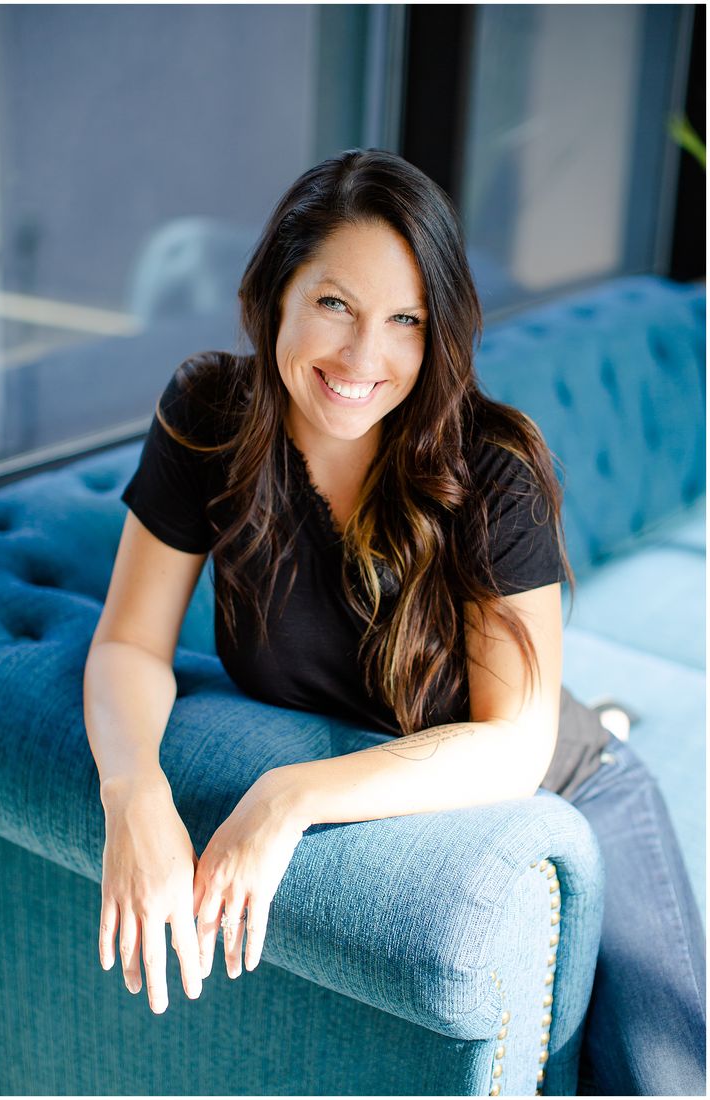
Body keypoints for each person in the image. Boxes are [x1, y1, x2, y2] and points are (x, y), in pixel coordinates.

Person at [83, 148, 705, 1095]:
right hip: (446, 746)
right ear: (275, 292)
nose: (362, 359)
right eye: (335, 304)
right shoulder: (207, 413)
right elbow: (129, 641)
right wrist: (133, 794)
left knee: (664, 1077)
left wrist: (287, 796)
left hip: (567, 785)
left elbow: (515, 743)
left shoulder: (491, 469)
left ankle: (608, 723)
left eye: (406, 320)